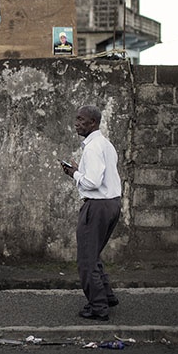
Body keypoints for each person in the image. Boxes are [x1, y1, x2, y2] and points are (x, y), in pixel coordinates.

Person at [60, 105, 122, 321]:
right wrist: (79, 171)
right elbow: (101, 176)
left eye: (81, 119)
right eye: (76, 119)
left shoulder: (93, 147)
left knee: (86, 259)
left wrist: (75, 173)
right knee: (92, 254)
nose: (76, 123)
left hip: (97, 206)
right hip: (112, 203)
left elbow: (93, 182)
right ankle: (107, 296)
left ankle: (98, 307)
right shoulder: (105, 145)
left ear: (93, 123)